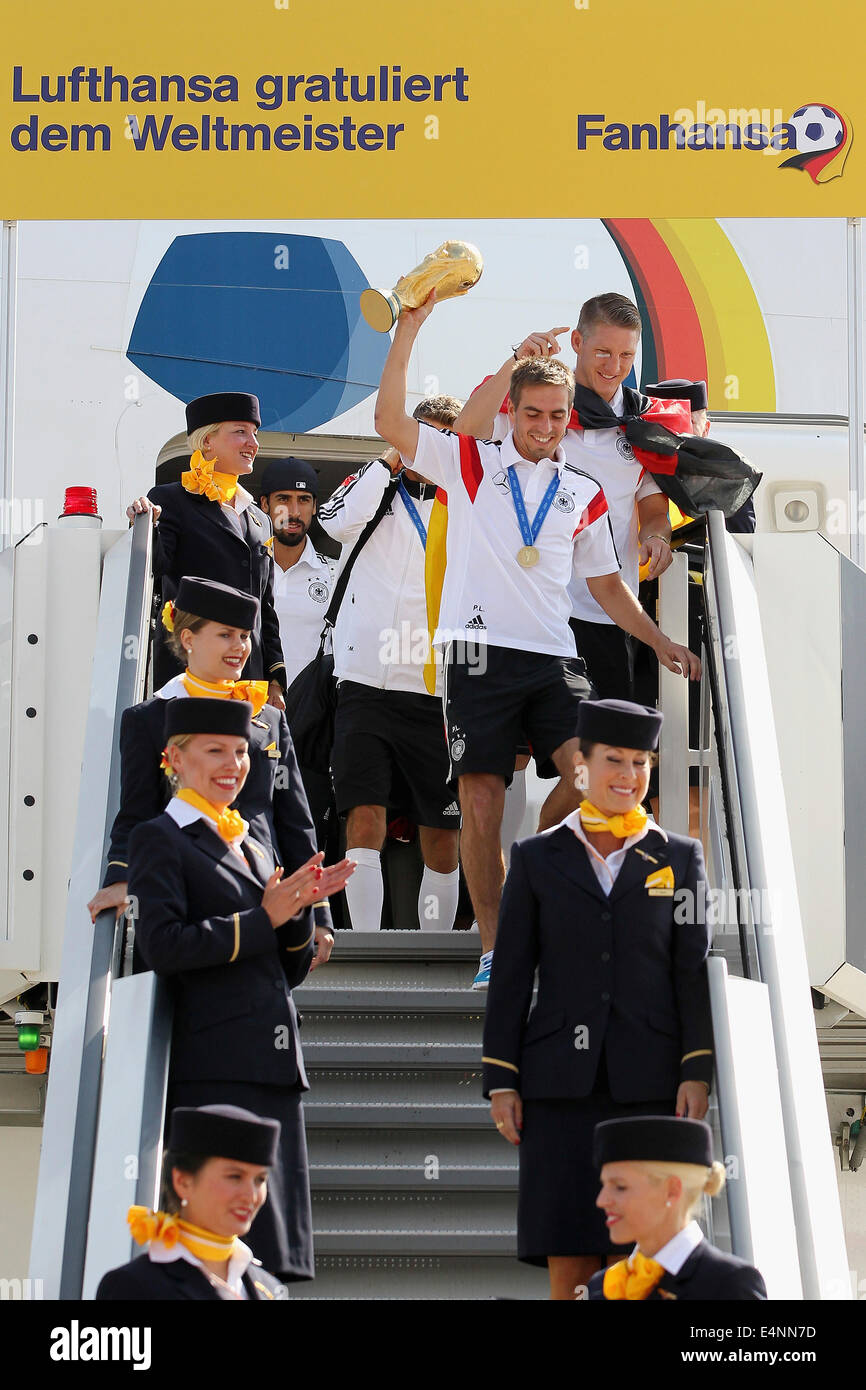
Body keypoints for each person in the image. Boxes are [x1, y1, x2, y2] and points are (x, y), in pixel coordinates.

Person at [374, 292, 700, 987]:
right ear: (511, 414)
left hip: (554, 656)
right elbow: (389, 420)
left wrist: (660, 638)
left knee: (597, 774)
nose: (546, 427)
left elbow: (609, 586)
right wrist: (410, 330)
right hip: (476, 654)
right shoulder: (471, 465)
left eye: (556, 415)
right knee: (484, 801)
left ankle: (529, 866)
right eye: (532, 414)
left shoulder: (580, 489)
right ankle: (497, 950)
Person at [482, 698, 713, 1299]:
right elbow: (510, 974)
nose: (629, 776)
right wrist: (502, 1077)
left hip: (651, 1082)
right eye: (614, 760)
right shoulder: (535, 858)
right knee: (569, 1260)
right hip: (558, 1088)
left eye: (641, 763)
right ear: (580, 767)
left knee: (639, 1267)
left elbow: (690, 972)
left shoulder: (680, 858)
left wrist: (697, 1070)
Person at [126, 695, 355, 1281]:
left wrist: (300, 910)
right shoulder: (161, 838)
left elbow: (289, 969)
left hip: (273, 1066)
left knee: (271, 1263)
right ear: (173, 759)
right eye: (215, 752)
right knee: (214, 1247)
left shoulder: (252, 843)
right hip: (218, 1066)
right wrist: (265, 919)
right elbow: (165, 946)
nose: (233, 764)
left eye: (240, 752)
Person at [86, 575, 335, 964]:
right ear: (188, 639)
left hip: (261, 892)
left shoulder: (269, 718)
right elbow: (137, 811)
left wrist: (317, 912)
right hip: (185, 896)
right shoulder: (149, 718)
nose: (239, 647)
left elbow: (294, 823)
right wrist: (121, 877)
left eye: (244, 636)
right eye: (226, 635)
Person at [453, 293, 681, 700]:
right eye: (603, 352)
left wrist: (657, 537)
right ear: (576, 341)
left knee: (600, 749)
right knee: (513, 753)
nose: (614, 368)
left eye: (626, 355)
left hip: (606, 613)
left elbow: (653, 508)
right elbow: (463, 434)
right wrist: (515, 363)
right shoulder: (535, 403)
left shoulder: (641, 423)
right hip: (527, 611)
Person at [317, 395, 464, 934]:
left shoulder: (463, 503)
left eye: (440, 438)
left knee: (442, 827)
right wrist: (388, 463)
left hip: (435, 690)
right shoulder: (375, 489)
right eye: (419, 434)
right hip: (364, 683)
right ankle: (365, 940)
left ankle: (436, 943)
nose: (427, 446)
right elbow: (331, 522)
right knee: (364, 813)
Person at [126, 391, 287, 705]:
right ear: (207, 441)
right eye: (240, 431)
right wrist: (144, 528)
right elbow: (155, 568)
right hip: (190, 675)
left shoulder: (260, 519)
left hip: (247, 677)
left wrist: (275, 679)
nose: (253, 443)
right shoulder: (172, 500)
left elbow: (264, 608)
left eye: (255, 433)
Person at [96, 1104, 289, 1301]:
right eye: (234, 1177)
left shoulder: (270, 1289)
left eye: (260, 1180)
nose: (251, 1195)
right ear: (183, 1182)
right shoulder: (134, 1286)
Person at [589, 1115, 767, 1300]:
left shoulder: (728, 1283)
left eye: (620, 1187)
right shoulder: (603, 1285)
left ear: (672, 1190)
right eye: (603, 1186)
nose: (601, 1201)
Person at [258, 456, 337, 690]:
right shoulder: (244, 571)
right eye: (283, 499)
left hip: (314, 717)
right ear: (265, 504)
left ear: (314, 507)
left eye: (303, 500)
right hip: (252, 710)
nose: (293, 511)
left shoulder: (335, 573)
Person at [643, 378, 757, 534]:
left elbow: (740, 544)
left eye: (689, 422)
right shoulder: (636, 471)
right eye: (668, 425)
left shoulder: (730, 479)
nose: (679, 433)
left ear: (706, 429)